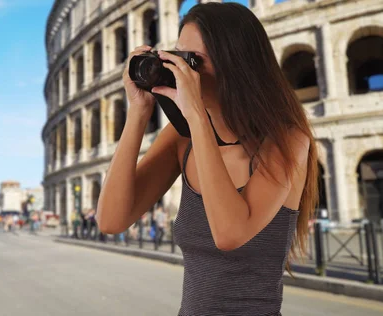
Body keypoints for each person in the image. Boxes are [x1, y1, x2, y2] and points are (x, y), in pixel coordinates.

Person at [95, 3, 318, 315]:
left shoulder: (287, 141)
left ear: (237, 64)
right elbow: (110, 221)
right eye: (177, 56)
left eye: (194, 61)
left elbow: (229, 234)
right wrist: (138, 111)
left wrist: (196, 114)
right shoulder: (180, 139)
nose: (181, 70)